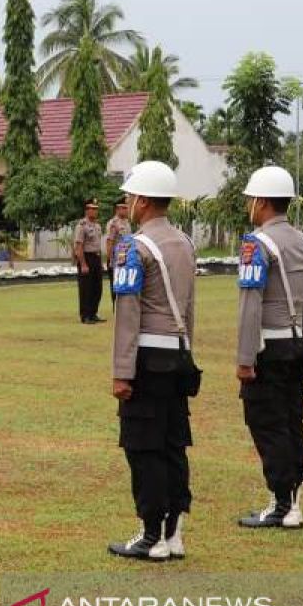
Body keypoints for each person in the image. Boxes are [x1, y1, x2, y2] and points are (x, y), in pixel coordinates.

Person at [107, 161, 200, 561]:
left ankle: (151, 535)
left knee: (144, 447)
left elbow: (127, 312)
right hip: (178, 355)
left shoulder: (134, 246)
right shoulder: (186, 244)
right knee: (173, 444)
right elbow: (190, 308)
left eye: (130, 196)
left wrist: (122, 371)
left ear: (143, 200)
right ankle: (173, 532)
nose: (127, 203)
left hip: (146, 357)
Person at [235, 166, 303, 529]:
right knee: (291, 420)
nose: (250, 205)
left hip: (268, 346)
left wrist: (244, 357)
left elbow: (250, 306)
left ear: (263, 202)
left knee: (267, 422)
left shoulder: (256, 244)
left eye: (252, 199)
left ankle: (282, 503)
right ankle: (293, 498)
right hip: (295, 344)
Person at [72, 199, 105, 324]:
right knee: (86, 288)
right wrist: (83, 263)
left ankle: (93, 313)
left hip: (96, 257)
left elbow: (98, 245)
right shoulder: (81, 226)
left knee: (97, 288)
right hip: (86, 258)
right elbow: (78, 246)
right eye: (92, 208)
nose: (95, 211)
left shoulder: (97, 226)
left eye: (96, 209)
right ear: (87, 210)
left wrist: (101, 261)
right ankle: (85, 315)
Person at [104, 199, 132, 304]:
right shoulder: (113, 223)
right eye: (124, 208)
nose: (126, 210)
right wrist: (110, 259)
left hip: (127, 257)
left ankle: (124, 307)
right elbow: (109, 242)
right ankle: (116, 308)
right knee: (116, 285)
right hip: (117, 258)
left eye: (127, 208)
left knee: (126, 284)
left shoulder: (127, 223)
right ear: (117, 209)